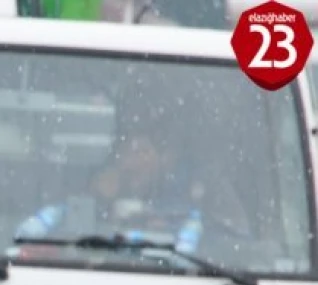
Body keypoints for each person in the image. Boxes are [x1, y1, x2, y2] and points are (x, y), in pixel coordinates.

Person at [14, 89, 248, 255]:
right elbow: (25, 239)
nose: (133, 160)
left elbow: (235, 247)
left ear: (168, 157)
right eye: (127, 149)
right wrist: (95, 199)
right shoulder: (82, 195)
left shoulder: (198, 199)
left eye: (143, 151)